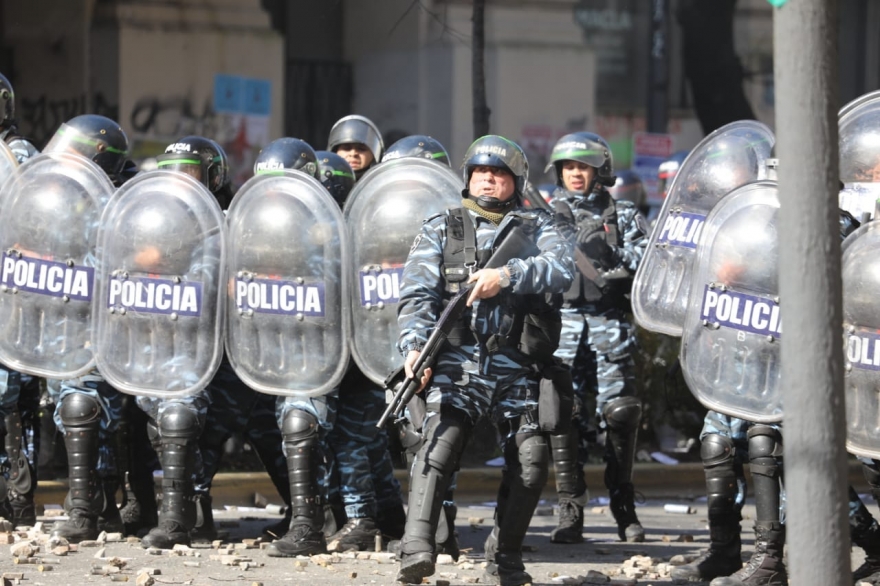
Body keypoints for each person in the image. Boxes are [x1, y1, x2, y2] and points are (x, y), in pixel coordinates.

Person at [395, 135, 574, 586]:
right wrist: (415, 349)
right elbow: (416, 296)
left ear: (516, 181)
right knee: (437, 447)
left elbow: (562, 269)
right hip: (459, 361)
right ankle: (416, 549)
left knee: (531, 459)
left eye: (498, 174)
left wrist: (507, 275)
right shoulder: (442, 227)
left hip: (517, 365)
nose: (488, 180)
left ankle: (506, 558)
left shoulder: (538, 227)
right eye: (480, 172)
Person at [544, 132, 648, 544]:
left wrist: (610, 252)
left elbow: (649, 261)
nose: (574, 174)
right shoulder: (546, 213)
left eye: (582, 167)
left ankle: (624, 507)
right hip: (564, 327)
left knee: (620, 416)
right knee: (564, 418)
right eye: (568, 167)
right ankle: (570, 508)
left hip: (610, 326)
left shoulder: (622, 213)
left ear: (599, 171)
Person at [133, 135, 230, 549]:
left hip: (198, 344)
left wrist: (162, 265)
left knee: (178, 419)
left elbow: (204, 287)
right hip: (154, 340)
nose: (181, 181)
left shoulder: (218, 222)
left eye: (190, 172)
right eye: (173, 172)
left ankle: (175, 523)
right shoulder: (152, 216)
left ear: (212, 176)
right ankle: (196, 512)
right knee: (158, 426)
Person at [43, 114, 131, 543]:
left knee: (83, 406)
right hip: (61, 320)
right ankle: (100, 502)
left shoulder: (119, 200)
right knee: (64, 407)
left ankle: (83, 511)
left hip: (101, 326)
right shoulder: (57, 194)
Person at [327, 115, 383, 180]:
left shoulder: (382, 183)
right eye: (346, 148)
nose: (353, 154)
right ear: (335, 151)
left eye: (361, 149)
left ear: (374, 155)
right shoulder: (322, 182)